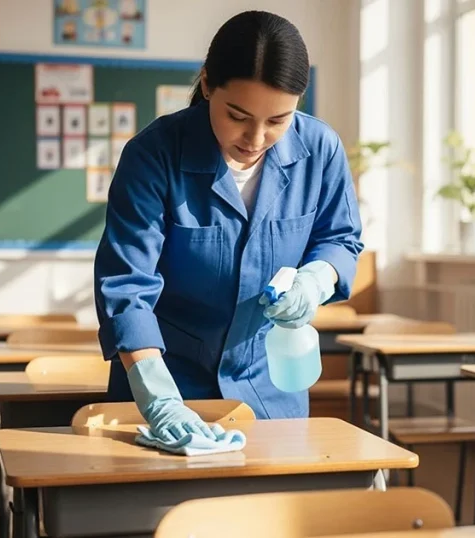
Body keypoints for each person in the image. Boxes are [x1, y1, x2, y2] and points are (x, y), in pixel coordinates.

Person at [93, 10, 364, 443]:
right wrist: (161, 401)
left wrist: (315, 280)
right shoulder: (153, 156)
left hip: (270, 389)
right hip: (164, 383)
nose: (255, 139)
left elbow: (340, 238)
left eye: (278, 120)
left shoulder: (320, 149)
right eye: (237, 115)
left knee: (277, 510)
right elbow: (126, 286)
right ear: (206, 84)